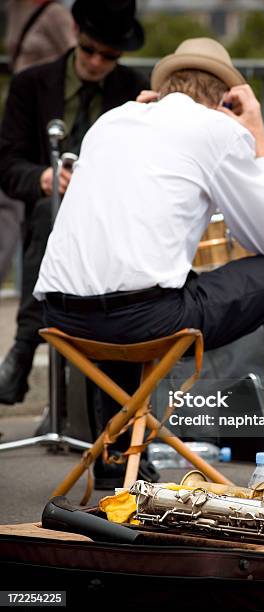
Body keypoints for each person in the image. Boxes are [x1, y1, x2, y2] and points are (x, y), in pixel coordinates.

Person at [33, 38, 264, 490]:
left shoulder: (109, 122)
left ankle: (115, 456)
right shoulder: (215, 129)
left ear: (163, 88)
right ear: (225, 99)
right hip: (143, 323)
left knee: (129, 279)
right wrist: (256, 131)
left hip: (63, 322)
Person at [0, 0, 148, 407]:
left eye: (110, 55)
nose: (98, 62)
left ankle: (25, 346)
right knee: (53, 216)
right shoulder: (31, 83)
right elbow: (7, 162)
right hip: (50, 208)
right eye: (89, 50)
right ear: (74, 34)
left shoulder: (133, 89)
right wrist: (44, 177)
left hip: (113, 218)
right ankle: (28, 344)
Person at [0, 0, 76, 288]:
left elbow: (76, 58)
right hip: (21, 112)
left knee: (34, 210)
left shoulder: (55, 14)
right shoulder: (14, 8)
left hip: (47, 117)